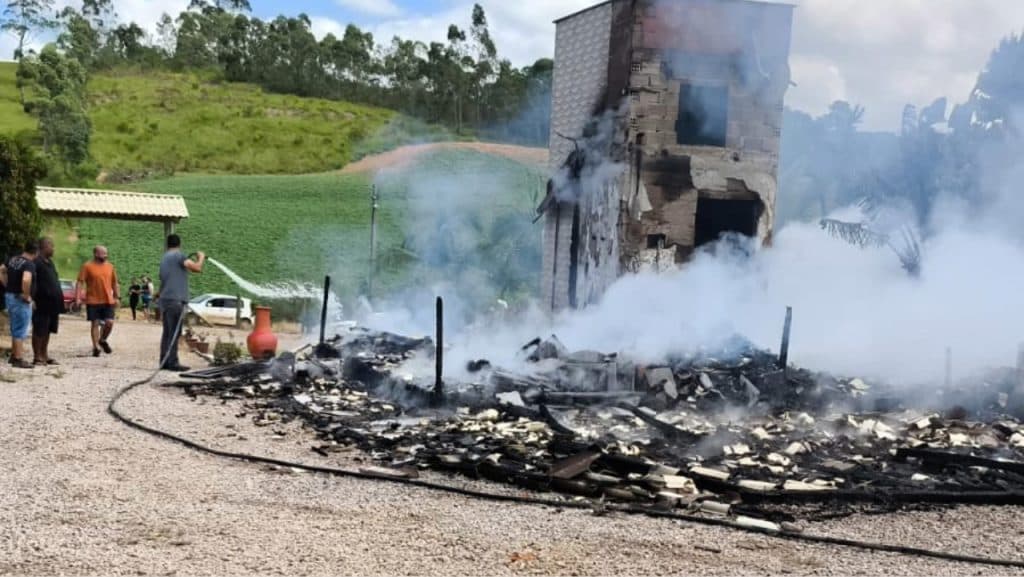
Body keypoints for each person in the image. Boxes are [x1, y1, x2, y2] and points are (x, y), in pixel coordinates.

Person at [158, 234, 205, 372]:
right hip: (175, 300)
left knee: (167, 332)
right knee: (174, 333)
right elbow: (196, 268)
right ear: (179, 244)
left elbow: (162, 280)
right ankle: (172, 362)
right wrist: (201, 257)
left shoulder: (164, 259)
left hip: (165, 300)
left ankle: (164, 361)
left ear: (167, 244)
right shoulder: (179, 256)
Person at [76, 245, 120, 358]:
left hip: (108, 300)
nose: (105, 255)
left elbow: (115, 283)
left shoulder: (110, 266)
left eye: (106, 253)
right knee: (94, 323)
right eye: (103, 253)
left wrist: (117, 297)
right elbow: (80, 282)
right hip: (93, 300)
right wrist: (78, 297)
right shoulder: (87, 266)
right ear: (96, 254)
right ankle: (96, 347)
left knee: (109, 323)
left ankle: (102, 340)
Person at [4, 241, 38, 369]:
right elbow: (26, 279)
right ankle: (18, 358)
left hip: (9, 295)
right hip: (19, 299)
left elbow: (1, 270)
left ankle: (14, 355)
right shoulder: (29, 264)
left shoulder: (13, 260)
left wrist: (7, 284)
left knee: (15, 326)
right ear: (36, 252)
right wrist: (26, 295)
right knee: (21, 328)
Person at [32, 237, 63, 366]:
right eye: (52, 246)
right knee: (39, 329)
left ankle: (45, 354)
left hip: (53, 303)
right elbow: (32, 281)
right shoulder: (36, 262)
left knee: (49, 329)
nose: (53, 249)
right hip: (41, 303)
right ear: (44, 247)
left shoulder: (50, 262)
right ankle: (37, 356)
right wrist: (32, 298)